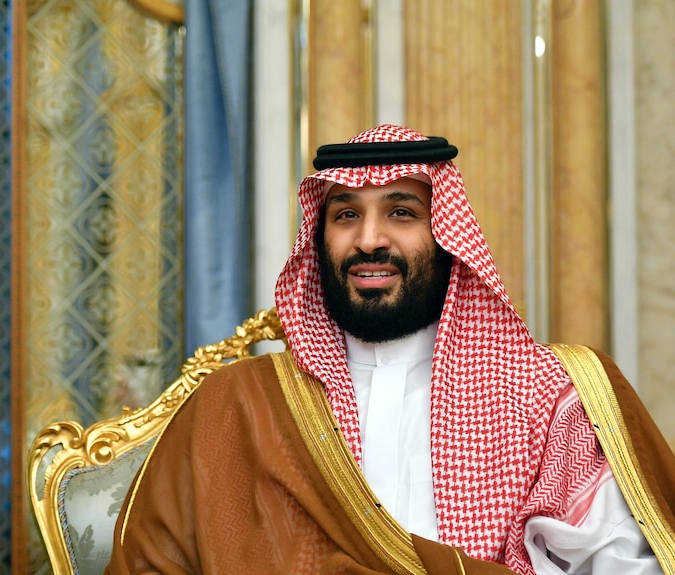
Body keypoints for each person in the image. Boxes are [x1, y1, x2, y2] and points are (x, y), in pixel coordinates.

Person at [104, 124, 675, 574]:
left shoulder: (546, 395)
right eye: (346, 215)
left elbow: (622, 563)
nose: (370, 238)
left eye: (401, 212)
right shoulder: (238, 404)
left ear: (447, 237)